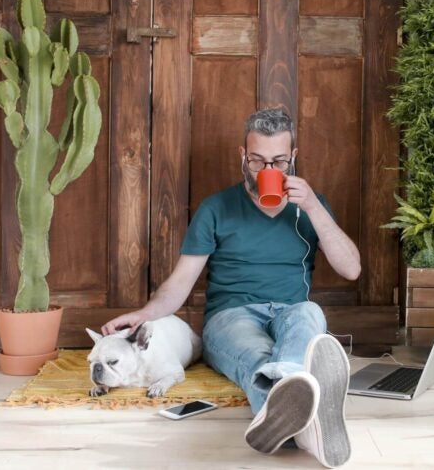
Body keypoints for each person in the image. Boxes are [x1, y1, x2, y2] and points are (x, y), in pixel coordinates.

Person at [101, 108, 361, 468]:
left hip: (290, 311)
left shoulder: (310, 209)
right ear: (243, 155)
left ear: (294, 158)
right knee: (256, 357)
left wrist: (314, 207)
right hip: (231, 317)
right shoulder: (216, 208)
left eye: (279, 161)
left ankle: (288, 410)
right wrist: (144, 315)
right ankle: (309, 419)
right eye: (257, 160)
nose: (268, 170)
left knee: (310, 313)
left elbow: (351, 269)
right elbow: (180, 283)